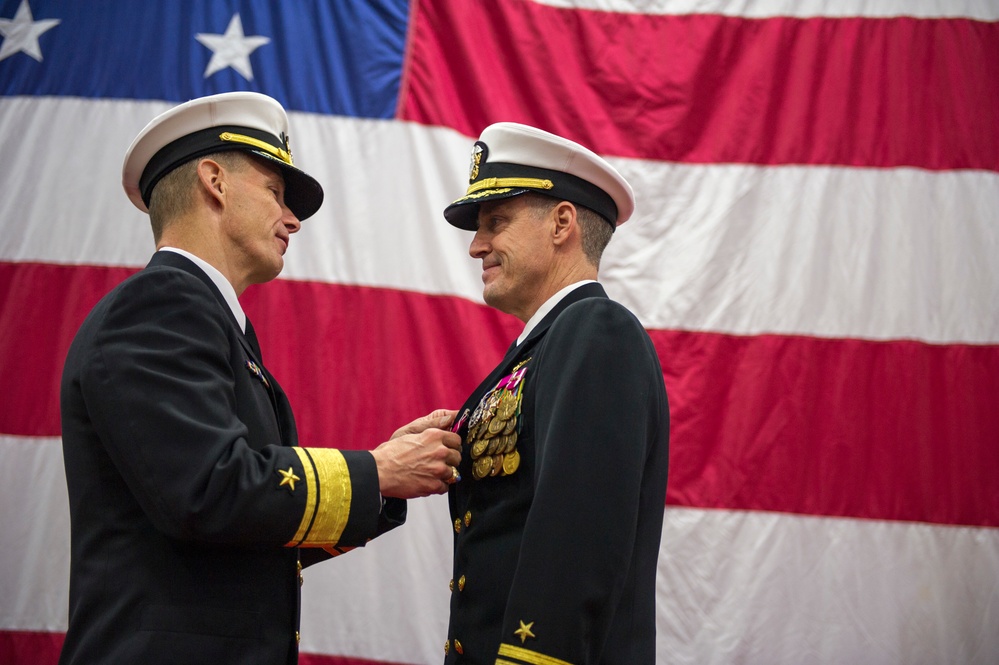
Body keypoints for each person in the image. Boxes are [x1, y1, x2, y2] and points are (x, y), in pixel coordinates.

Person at [58, 91, 462, 665]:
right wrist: (377, 471)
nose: (293, 219)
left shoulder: (205, 318)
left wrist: (383, 477)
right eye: (275, 192)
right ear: (214, 181)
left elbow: (250, 528)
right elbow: (209, 492)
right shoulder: (162, 304)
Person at [440, 122, 670, 664]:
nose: (476, 246)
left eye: (496, 222)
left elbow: (577, 544)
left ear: (562, 223)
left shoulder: (596, 330)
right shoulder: (544, 347)